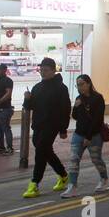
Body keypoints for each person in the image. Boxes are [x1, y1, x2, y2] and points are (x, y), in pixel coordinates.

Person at [22, 58, 72, 198]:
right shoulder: (37, 87)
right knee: (45, 150)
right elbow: (29, 107)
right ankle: (63, 176)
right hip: (38, 124)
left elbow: (65, 109)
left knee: (41, 151)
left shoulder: (61, 88)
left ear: (53, 71)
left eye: (46, 70)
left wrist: (63, 128)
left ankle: (34, 183)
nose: (43, 73)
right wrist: (27, 98)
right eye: (41, 70)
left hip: (53, 125)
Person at [62, 74, 108, 197]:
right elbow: (76, 117)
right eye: (78, 85)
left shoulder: (98, 98)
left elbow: (97, 120)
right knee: (73, 159)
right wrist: (76, 107)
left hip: (94, 135)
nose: (80, 87)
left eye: (82, 84)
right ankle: (72, 186)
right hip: (78, 133)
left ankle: (104, 179)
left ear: (88, 83)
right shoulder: (79, 98)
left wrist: (88, 137)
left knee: (96, 159)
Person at [0, 63, 15, 154]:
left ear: (4, 70)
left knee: (5, 128)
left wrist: (0, 101)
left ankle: (10, 148)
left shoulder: (8, 81)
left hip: (4, 109)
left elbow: (8, 93)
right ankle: (1, 147)